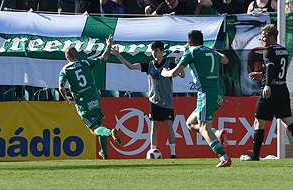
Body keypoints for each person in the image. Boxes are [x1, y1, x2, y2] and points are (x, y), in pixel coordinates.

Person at [161, 30, 231, 167]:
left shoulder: (191, 52)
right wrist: (215, 51)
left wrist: (165, 72)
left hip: (205, 94)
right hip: (218, 93)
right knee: (191, 123)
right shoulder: (210, 52)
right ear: (202, 41)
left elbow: (174, 73)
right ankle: (218, 133)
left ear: (189, 42)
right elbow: (226, 60)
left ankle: (224, 157)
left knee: (204, 128)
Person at [111, 41, 185, 158]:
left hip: (167, 102)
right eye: (152, 50)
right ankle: (152, 151)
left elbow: (181, 75)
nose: (154, 53)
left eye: (156, 50)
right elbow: (131, 66)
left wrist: (179, 66)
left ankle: (173, 153)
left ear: (161, 51)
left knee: (168, 126)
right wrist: (118, 55)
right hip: (154, 100)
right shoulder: (149, 64)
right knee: (154, 126)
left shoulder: (169, 64)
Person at [58, 34, 122, 160]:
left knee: (94, 129)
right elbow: (104, 57)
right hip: (95, 98)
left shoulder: (65, 70)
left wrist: (66, 99)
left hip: (83, 103)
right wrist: (108, 46)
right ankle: (104, 153)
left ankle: (110, 132)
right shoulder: (85, 62)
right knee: (99, 125)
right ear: (77, 55)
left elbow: (61, 87)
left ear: (67, 57)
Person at [240, 24, 293, 161]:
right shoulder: (284, 50)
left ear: (270, 37)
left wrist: (267, 84)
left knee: (259, 122)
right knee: (288, 121)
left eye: (264, 37)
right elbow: (274, 69)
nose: (262, 40)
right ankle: (255, 155)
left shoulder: (268, 51)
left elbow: (270, 67)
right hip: (282, 89)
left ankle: (255, 156)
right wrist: (262, 74)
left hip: (270, 90)